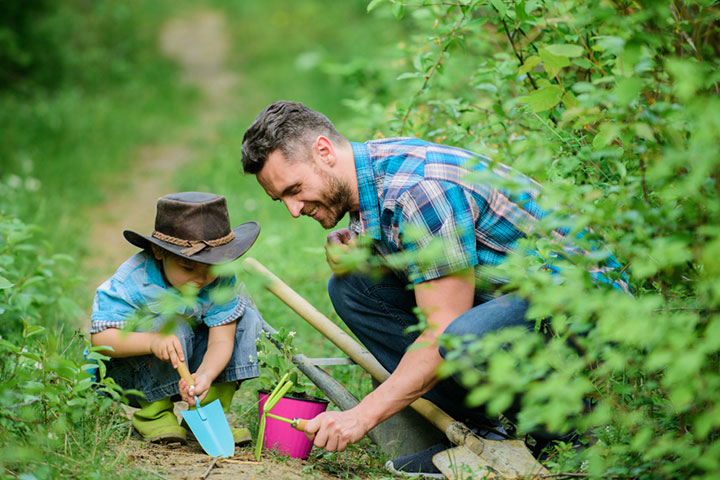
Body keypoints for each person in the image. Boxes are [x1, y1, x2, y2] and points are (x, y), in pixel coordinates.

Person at [241, 101, 630, 475]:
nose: (293, 210)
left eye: (295, 189)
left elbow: (442, 330)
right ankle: (483, 431)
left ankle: (570, 439)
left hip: (587, 310)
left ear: (323, 151)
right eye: (281, 201)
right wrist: (361, 248)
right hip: (518, 300)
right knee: (355, 287)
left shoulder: (421, 189)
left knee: (461, 336)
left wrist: (361, 415)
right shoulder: (370, 175)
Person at [90, 192, 262, 444]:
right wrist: (151, 341)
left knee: (246, 320)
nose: (202, 279)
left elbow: (222, 340)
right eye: (188, 268)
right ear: (159, 252)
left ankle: (205, 413)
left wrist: (206, 374)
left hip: (192, 358)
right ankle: (154, 414)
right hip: (136, 370)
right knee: (170, 323)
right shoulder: (133, 281)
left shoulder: (220, 279)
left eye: (212, 268)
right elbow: (101, 340)